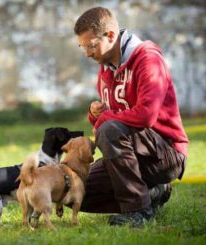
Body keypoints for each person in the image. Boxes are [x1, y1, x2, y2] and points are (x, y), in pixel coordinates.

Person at [73, 6, 189, 227]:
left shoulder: (147, 58)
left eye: (91, 46)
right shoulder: (105, 68)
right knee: (75, 189)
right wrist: (95, 114)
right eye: (83, 47)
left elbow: (146, 115)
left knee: (110, 128)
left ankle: (138, 210)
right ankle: (154, 192)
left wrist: (105, 121)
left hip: (166, 154)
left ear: (110, 36)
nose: (87, 53)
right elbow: (115, 119)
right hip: (132, 153)